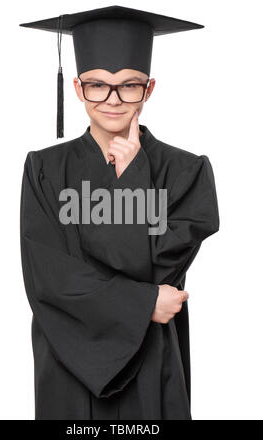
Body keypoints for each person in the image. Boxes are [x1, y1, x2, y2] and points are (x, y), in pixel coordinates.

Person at [20, 6, 219, 420]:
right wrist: (145, 302)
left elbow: (162, 265)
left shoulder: (186, 171)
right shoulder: (43, 169)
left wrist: (133, 178)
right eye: (97, 85)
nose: (112, 100)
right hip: (65, 365)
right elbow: (50, 280)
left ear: (148, 90)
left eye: (129, 85)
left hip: (151, 367)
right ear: (77, 87)